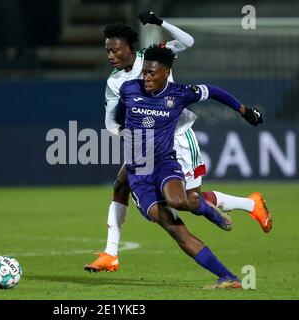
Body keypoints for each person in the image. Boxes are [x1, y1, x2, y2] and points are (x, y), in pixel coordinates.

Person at [85, 11, 271, 273]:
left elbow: (188, 42)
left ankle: (251, 205)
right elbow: (111, 121)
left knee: (187, 199)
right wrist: (126, 133)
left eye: (115, 50)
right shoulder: (116, 83)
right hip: (145, 147)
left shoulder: (153, 57)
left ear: (130, 48)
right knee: (121, 184)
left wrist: (160, 23)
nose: (110, 56)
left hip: (179, 138)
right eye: (107, 51)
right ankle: (110, 253)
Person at [118, 45, 249, 288]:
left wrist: (243, 110)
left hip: (165, 164)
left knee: (179, 200)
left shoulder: (179, 94)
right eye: (144, 72)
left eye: (151, 73)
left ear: (166, 73)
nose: (146, 77)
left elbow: (213, 91)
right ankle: (229, 278)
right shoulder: (129, 89)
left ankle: (210, 211)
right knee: (175, 229)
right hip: (139, 175)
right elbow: (118, 117)